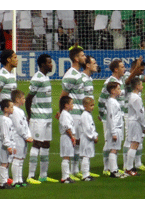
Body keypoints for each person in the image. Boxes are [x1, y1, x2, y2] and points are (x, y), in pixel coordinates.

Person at [25, 54, 58, 184]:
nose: (51, 65)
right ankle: (30, 176)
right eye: (49, 62)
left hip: (47, 117)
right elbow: (28, 98)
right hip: (38, 117)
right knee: (37, 143)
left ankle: (43, 175)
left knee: (46, 144)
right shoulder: (37, 78)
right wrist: (30, 115)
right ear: (43, 64)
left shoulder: (45, 78)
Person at [0, 49, 18, 187]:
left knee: (2, 146)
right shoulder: (2, 75)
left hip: (9, 115)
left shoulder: (10, 75)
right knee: (2, 145)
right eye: (14, 57)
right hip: (2, 116)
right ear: (8, 59)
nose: (17, 59)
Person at [60, 47, 86, 181]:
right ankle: (69, 173)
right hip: (74, 114)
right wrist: (61, 113)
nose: (85, 57)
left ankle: (75, 171)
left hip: (80, 114)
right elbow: (63, 96)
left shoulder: (78, 74)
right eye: (82, 55)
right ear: (76, 59)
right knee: (73, 142)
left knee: (78, 143)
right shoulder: (70, 75)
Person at [98, 59, 126, 176]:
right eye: (122, 67)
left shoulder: (121, 81)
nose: (125, 69)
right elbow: (101, 99)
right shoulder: (109, 82)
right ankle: (107, 167)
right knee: (108, 142)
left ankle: (112, 167)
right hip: (110, 117)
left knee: (114, 143)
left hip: (119, 116)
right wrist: (101, 114)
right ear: (116, 69)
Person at [9, 90, 33, 187]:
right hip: (17, 138)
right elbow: (18, 127)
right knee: (17, 158)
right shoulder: (14, 111)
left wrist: (29, 135)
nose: (24, 100)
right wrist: (26, 136)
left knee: (21, 159)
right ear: (18, 99)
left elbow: (25, 125)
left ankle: (20, 179)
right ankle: (15, 180)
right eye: (23, 98)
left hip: (23, 138)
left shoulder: (20, 111)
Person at [123, 78, 145, 176]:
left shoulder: (131, 96)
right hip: (135, 122)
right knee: (134, 144)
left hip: (131, 121)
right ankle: (129, 168)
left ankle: (129, 168)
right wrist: (144, 126)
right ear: (137, 86)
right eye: (141, 85)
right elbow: (140, 114)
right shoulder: (136, 98)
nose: (142, 86)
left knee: (133, 144)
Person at [105, 82, 125, 178]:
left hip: (117, 128)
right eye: (118, 89)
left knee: (115, 150)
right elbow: (110, 117)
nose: (120, 90)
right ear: (113, 91)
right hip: (115, 129)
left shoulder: (113, 101)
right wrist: (113, 132)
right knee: (113, 150)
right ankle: (113, 171)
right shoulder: (111, 102)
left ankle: (115, 169)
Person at [0, 99, 16, 189]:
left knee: (7, 163)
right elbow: (5, 134)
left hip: (8, 144)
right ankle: (2, 183)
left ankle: (5, 180)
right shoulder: (4, 120)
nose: (13, 109)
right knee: (4, 163)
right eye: (11, 107)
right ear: (5, 109)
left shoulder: (8, 119)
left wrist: (13, 145)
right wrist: (8, 146)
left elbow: (11, 134)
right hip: (4, 145)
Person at [79, 97, 99, 181]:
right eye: (91, 105)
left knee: (87, 156)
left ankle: (87, 173)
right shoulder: (85, 115)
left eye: (93, 105)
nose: (92, 107)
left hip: (88, 138)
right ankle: (85, 175)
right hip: (86, 138)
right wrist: (93, 136)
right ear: (85, 106)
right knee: (86, 156)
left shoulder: (88, 115)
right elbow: (87, 129)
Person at [59, 96, 77, 183]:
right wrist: (72, 137)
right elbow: (67, 128)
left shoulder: (66, 114)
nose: (73, 105)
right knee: (66, 157)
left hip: (68, 137)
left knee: (67, 157)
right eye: (71, 103)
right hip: (66, 137)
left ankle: (67, 176)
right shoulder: (65, 114)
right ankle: (64, 177)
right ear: (66, 105)